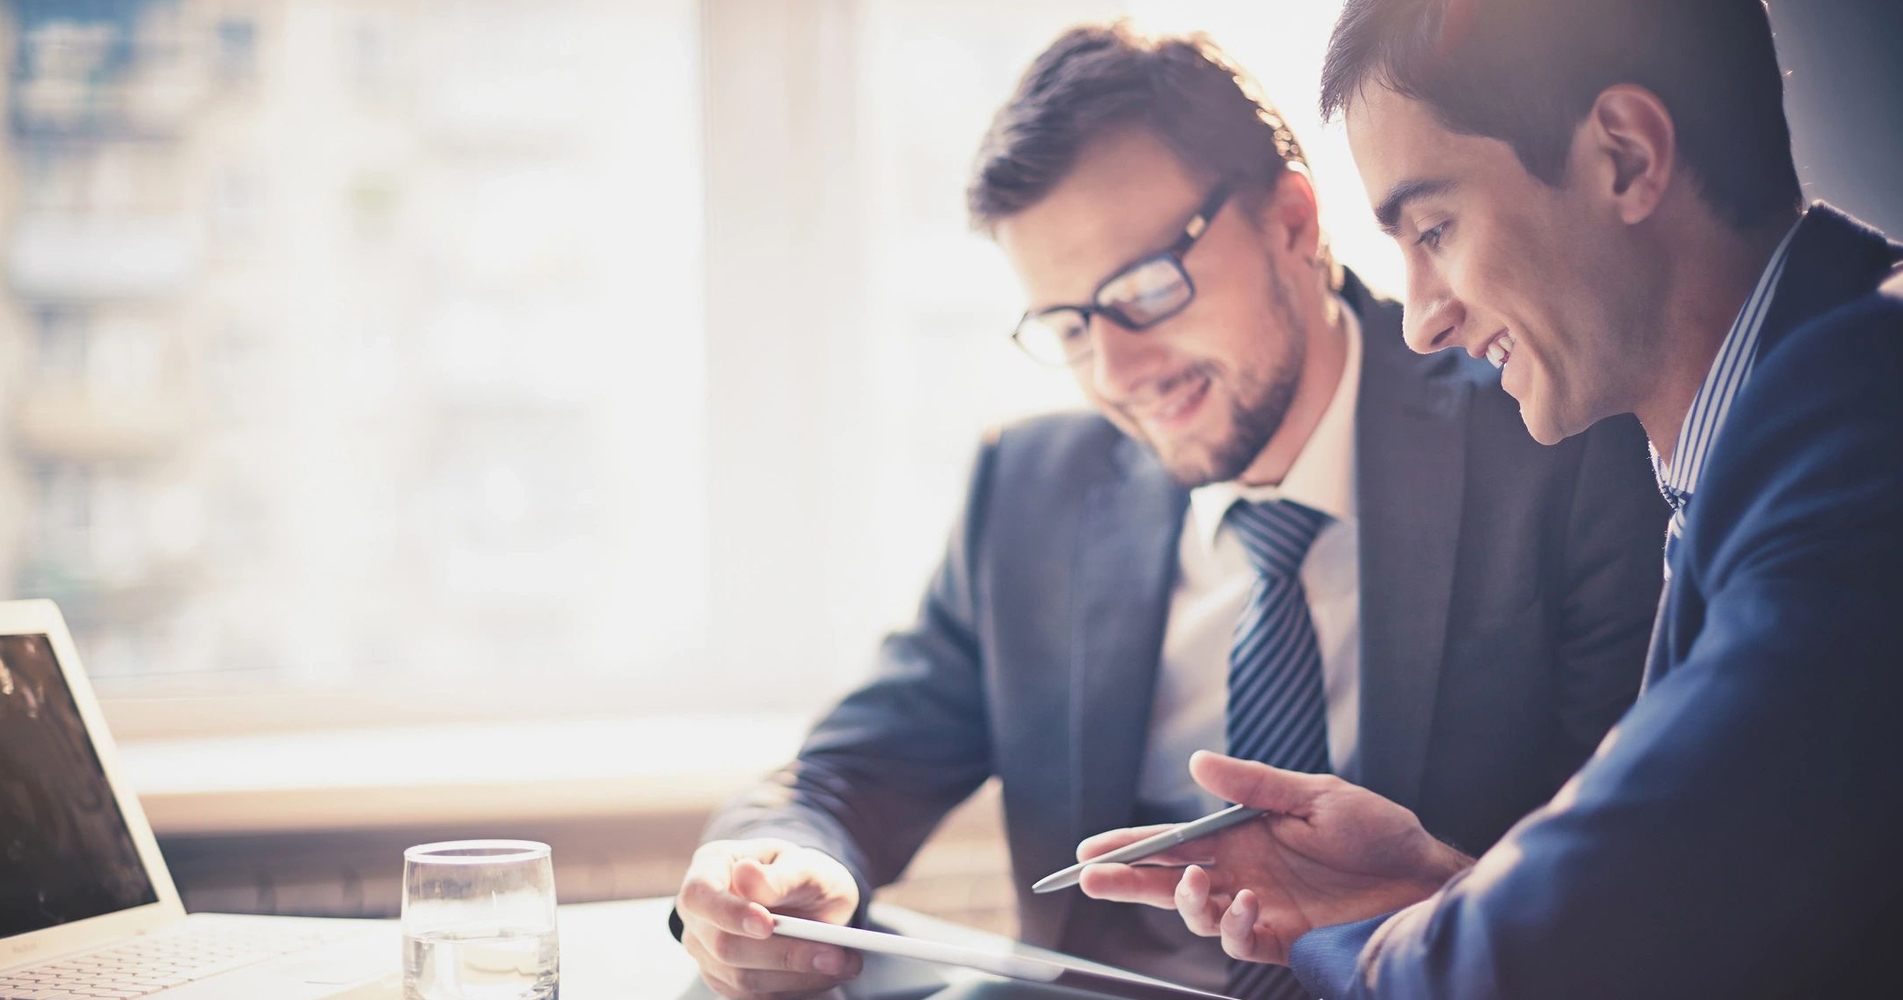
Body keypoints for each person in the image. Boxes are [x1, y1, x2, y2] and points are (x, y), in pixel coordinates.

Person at [673, 21, 1667, 1000]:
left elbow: (1631, 883)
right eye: (1067, 325)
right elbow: (846, 771)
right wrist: (764, 867)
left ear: (1291, 222)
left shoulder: (1549, 437)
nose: (1115, 371)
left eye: (1144, 289)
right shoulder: (1029, 491)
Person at [1075, 1, 1903, 997]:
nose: (1422, 322)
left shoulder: (1865, 406)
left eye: (1435, 227)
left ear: (1627, 158)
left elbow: (1605, 925)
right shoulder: (1765, 434)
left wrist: (1398, 945)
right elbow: (1708, 911)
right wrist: (1436, 891)